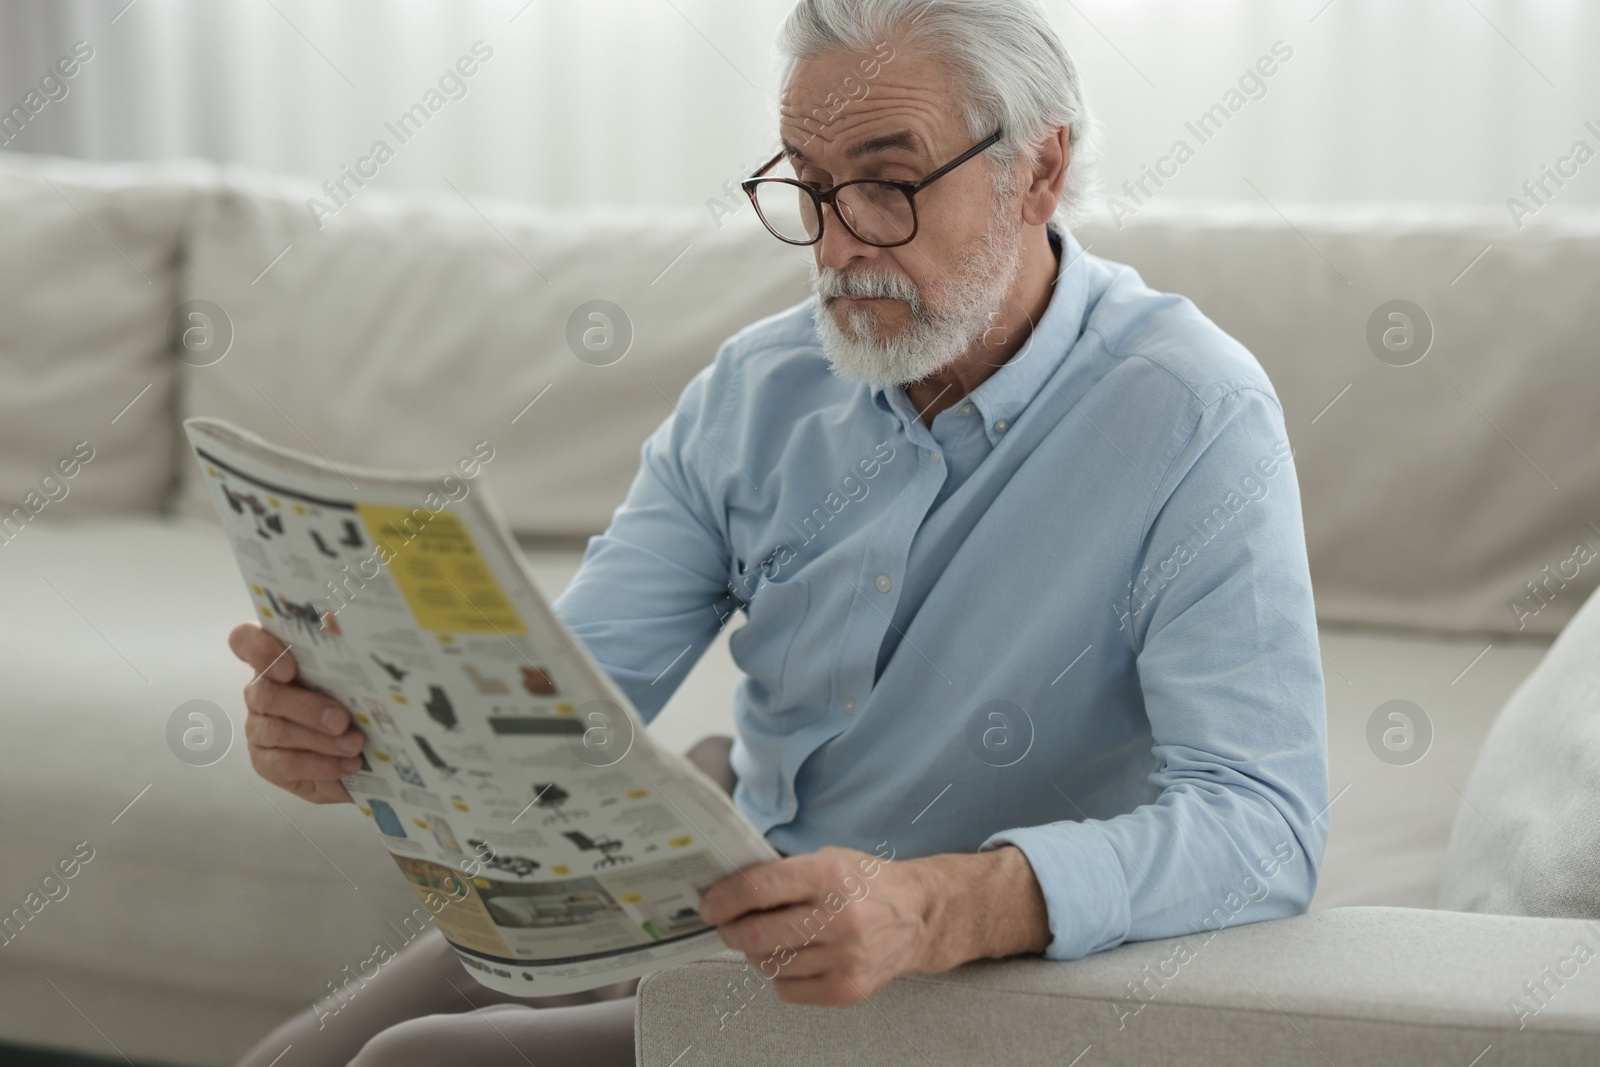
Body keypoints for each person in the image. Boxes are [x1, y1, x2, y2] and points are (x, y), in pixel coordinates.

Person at [232, 1, 1328, 1063]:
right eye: (809, 186)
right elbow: (565, 701)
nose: (839, 243)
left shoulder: (1192, 413)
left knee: (418, 1062)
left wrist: (936, 906)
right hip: (738, 882)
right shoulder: (759, 389)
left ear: (1037, 170)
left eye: (891, 186)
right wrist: (358, 726)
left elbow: (1264, 824)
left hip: (964, 969)